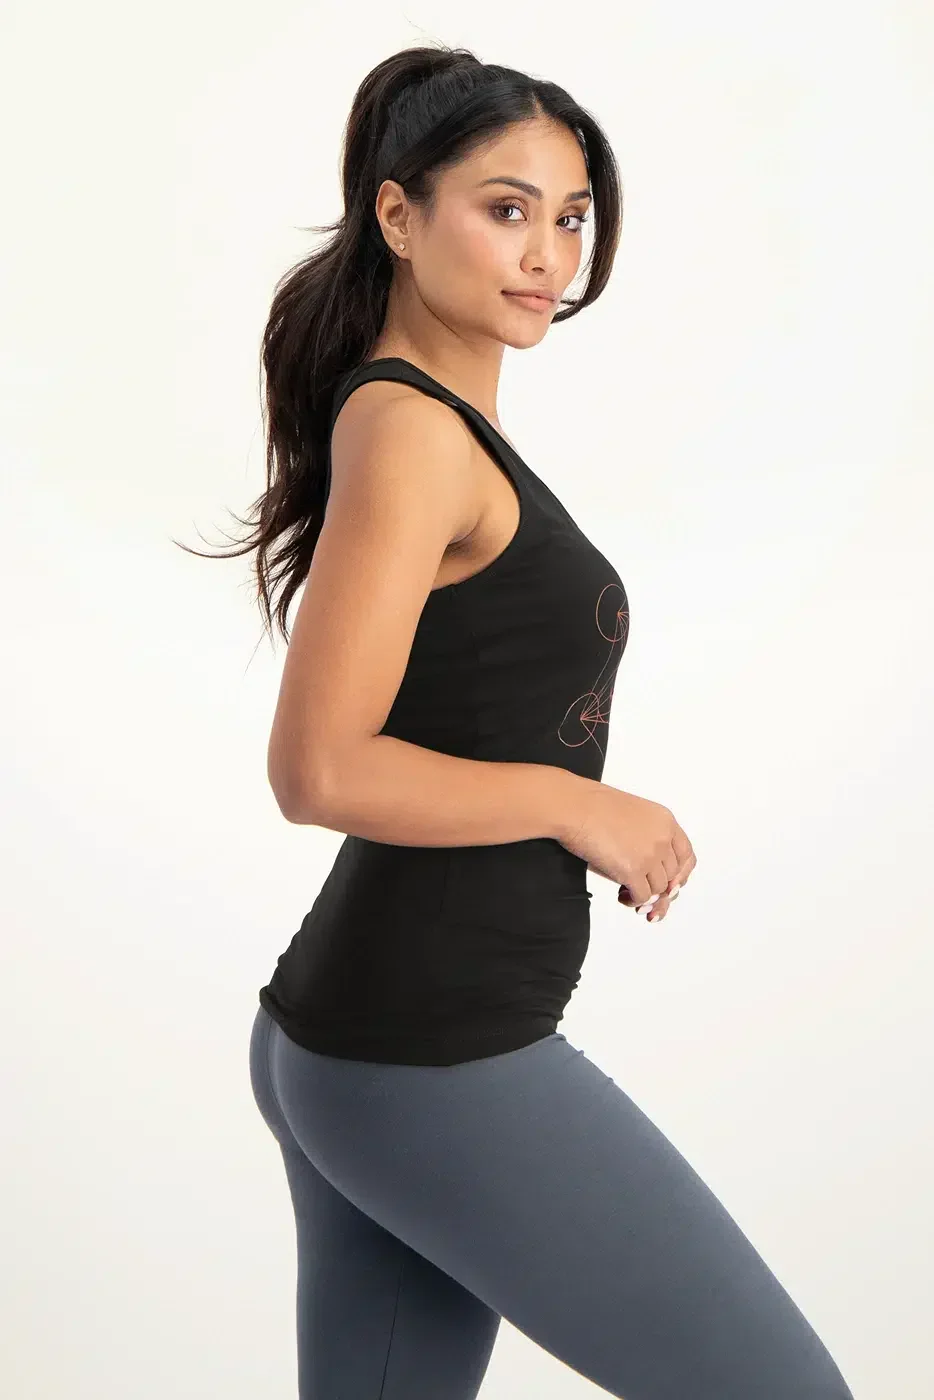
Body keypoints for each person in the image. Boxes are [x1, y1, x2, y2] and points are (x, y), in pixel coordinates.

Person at [184, 41, 857, 1400]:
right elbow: (317, 768)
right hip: (429, 1054)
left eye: (571, 217)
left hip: (369, 1043)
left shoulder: (434, 428)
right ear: (397, 214)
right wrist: (577, 802)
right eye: (506, 209)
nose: (548, 253)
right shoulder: (411, 431)